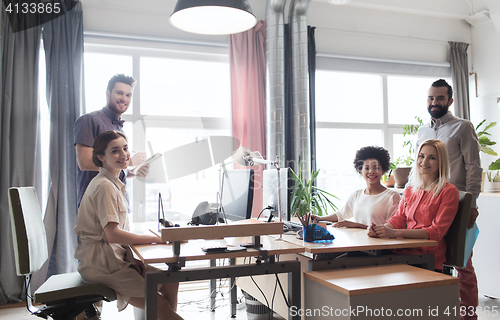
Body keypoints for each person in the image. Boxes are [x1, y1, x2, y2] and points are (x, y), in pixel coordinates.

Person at [74, 131, 182, 320]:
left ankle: (163, 316)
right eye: (115, 151)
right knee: (159, 304)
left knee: (170, 281)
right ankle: (163, 313)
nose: (123, 155)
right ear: (101, 157)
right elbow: (113, 235)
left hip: (112, 258)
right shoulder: (104, 186)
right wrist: (157, 239)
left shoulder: (113, 182)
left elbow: (116, 236)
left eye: (125, 148)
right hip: (102, 264)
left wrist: (133, 258)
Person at [416, 79, 481, 320]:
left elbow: (474, 167)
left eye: (440, 98)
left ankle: (468, 316)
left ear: (450, 101)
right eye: (431, 98)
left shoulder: (463, 127)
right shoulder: (423, 131)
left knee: (462, 264)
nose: (434, 103)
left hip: (458, 204)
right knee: (434, 261)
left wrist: (472, 205)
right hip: (430, 204)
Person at [368, 139, 459, 273]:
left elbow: (436, 231)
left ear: (441, 162)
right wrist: (381, 230)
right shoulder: (410, 190)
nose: (424, 162)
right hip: (403, 250)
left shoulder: (449, 191)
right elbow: (398, 218)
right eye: (421, 156)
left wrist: (394, 233)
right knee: (357, 256)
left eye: (432, 158)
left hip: (426, 257)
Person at [74, 74, 148, 207]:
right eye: (119, 93)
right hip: (96, 204)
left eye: (128, 95)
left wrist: (134, 171)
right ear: (108, 94)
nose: (124, 98)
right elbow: (84, 162)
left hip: (119, 202)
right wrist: (129, 161)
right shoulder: (89, 120)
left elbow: (113, 171)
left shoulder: (119, 127)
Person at [311, 146, 400, 229]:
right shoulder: (356, 195)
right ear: (360, 171)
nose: (371, 172)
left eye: (376, 168)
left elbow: (390, 228)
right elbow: (340, 215)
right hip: (358, 242)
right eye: (367, 168)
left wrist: (357, 225)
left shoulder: (392, 196)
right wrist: (319, 218)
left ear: (383, 171)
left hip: (380, 244)